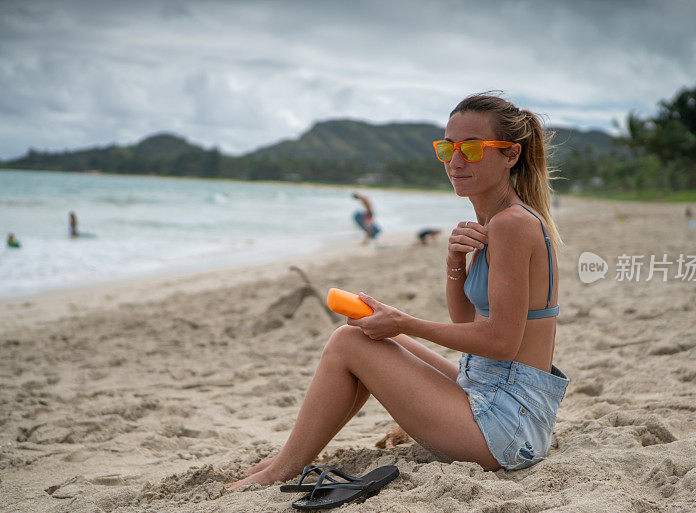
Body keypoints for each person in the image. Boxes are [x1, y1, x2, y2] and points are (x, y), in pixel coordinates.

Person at [228, 93, 567, 490]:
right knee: (361, 331)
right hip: (494, 394)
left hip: (507, 424)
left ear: (511, 154)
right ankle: (294, 455)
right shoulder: (494, 220)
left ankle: (283, 467)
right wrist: (455, 262)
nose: (456, 161)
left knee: (348, 343)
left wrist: (404, 322)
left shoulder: (512, 224)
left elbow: (501, 342)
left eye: (472, 149)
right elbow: (467, 321)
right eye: (447, 148)